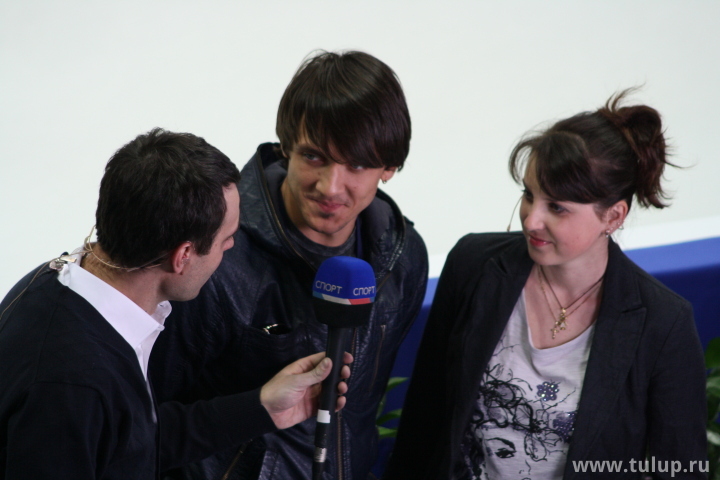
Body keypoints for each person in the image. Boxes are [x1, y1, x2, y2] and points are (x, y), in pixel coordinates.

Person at [385, 91, 707, 479]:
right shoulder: (474, 264)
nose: (532, 219)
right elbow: (423, 420)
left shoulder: (663, 322)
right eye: (529, 194)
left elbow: (682, 468)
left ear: (613, 216)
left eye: (557, 207)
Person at [0, 128, 351, 480]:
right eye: (227, 240)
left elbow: (127, 446)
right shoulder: (69, 387)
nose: (231, 247)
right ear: (183, 255)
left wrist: (262, 408)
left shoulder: (63, 284)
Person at [150, 50, 429, 480]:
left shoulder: (402, 256)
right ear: (286, 147)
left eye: (356, 164)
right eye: (314, 156)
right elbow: (147, 427)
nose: (330, 187)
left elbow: (361, 411)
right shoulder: (216, 257)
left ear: (389, 167)